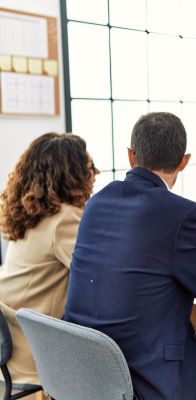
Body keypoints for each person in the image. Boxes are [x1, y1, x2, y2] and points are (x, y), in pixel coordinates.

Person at [63, 112, 196, 400]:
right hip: (146, 386)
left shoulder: (97, 202)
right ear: (184, 161)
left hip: (87, 378)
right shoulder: (184, 215)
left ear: (131, 156)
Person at [0, 133, 98, 385]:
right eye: (88, 167)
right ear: (71, 174)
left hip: (9, 339)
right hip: (34, 347)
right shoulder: (64, 217)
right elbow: (97, 275)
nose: (95, 172)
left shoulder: (29, 210)